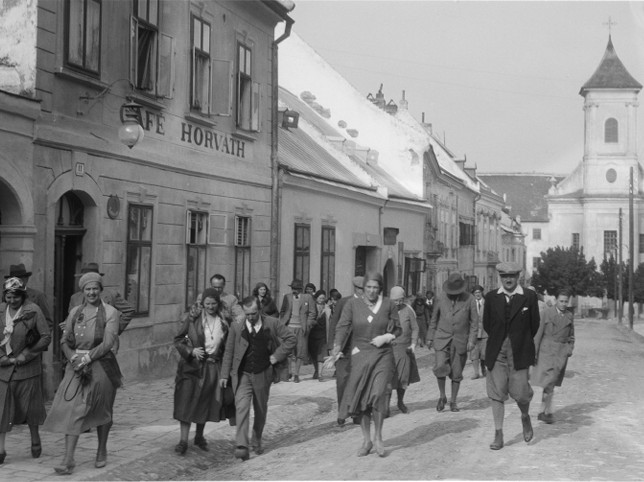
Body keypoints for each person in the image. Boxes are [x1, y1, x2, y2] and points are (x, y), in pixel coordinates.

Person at [43, 272, 123, 474]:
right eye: (88, 289)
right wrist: (72, 358)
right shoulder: (75, 312)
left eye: (95, 288)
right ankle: (68, 459)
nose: (92, 292)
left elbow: (108, 343)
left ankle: (101, 450)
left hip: (101, 365)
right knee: (72, 409)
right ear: (82, 292)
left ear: (100, 290)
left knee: (102, 409)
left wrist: (87, 358)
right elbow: (64, 340)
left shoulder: (111, 312)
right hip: (76, 366)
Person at [330, 272, 401, 457]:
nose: (371, 290)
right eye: (368, 287)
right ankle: (367, 440)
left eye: (375, 287)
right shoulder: (352, 305)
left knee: (378, 393)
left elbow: (398, 329)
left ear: (380, 288)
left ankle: (378, 437)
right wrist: (337, 347)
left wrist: (386, 336)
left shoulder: (388, 304)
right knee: (361, 397)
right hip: (360, 354)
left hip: (383, 354)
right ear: (363, 288)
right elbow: (342, 326)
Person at [221, 296, 295, 461]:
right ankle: (242, 445)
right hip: (242, 374)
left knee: (260, 409)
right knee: (242, 407)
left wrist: (276, 356)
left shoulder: (272, 323)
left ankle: (257, 438)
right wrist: (224, 374)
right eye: (247, 314)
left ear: (260, 310)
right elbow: (229, 351)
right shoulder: (236, 326)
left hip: (263, 373)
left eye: (254, 314)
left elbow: (291, 339)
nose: (250, 317)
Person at [483, 262, 540, 450]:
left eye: (512, 276)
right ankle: (498, 433)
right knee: (496, 392)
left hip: (519, 352)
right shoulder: (491, 298)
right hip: (497, 351)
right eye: (504, 276)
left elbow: (534, 325)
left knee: (521, 393)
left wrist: (519, 341)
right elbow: (487, 325)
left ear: (518, 277)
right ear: (500, 277)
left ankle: (525, 416)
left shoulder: (529, 297)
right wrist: (502, 339)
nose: (508, 280)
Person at [173, 288, 235, 455]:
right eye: (207, 304)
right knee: (185, 402)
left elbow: (228, 345)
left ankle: (199, 437)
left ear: (218, 304)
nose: (210, 307)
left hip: (213, 367)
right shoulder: (192, 319)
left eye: (213, 304)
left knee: (205, 403)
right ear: (202, 304)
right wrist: (191, 351)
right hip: (192, 367)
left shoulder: (224, 321)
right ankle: (183, 441)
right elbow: (178, 340)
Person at [0, 278, 51, 464]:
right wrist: (3, 359)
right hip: (4, 370)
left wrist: (27, 355)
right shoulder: (0, 311)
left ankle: (35, 438)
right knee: (1, 409)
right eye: (8, 296)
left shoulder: (33, 310)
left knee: (31, 407)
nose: (12, 300)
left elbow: (46, 336)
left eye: (16, 297)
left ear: (23, 296)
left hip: (27, 369)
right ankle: (1, 449)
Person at [426, 273, 477, 412]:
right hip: (441, 338)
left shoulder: (470, 299)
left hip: (460, 340)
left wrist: (471, 340)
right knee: (440, 366)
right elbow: (434, 319)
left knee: (457, 371)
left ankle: (453, 401)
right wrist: (430, 337)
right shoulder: (441, 297)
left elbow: (474, 323)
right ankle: (442, 396)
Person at [532, 288, 575, 424]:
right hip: (547, 351)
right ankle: (547, 411)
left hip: (561, 353)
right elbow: (538, 333)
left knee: (551, 382)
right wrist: (534, 352)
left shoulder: (569, 316)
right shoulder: (546, 313)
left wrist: (569, 349)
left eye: (565, 302)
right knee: (549, 381)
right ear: (556, 300)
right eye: (561, 301)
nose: (563, 304)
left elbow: (571, 336)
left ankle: (542, 410)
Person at [326, 277, 363, 426]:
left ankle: (356, 412)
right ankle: (342, 412)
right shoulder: (343, 302)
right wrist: (331, 347)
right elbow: (334, 324)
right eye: (361, 289)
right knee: (342, 381)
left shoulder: (371, 304)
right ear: (355, 288)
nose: (364, 292)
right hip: (343, 349)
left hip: (361, 349)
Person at [68, 262, 135, 340]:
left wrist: (114, 329)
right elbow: (71, 318)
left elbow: (129, 310)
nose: (91, 292)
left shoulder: (111, 295)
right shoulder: (75, 298)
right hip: (81, 342)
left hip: (104, 341)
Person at [389, 286, 420, 414]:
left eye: (400, 300)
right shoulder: (385, 311)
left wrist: (413, 343)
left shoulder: (408, 310)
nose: (398, 303)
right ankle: (385, 405)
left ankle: (400, 401)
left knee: (403, 377)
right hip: (389, 349)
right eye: (395, 301)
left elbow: (415, 328)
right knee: (388, 378)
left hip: (404, 349)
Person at [279, 279, 315, 383]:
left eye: (295, 288)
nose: (293, 290)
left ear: (300, 289)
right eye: (292, 288)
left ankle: (296, 374)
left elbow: (312, 313)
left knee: (300, 352)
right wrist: (283, 323)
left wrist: (307, 325)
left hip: (301, 328)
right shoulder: (287, 297)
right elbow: (282, 311)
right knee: (289, 351)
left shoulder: (307, 297)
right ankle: (289, 371)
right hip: (289, 327)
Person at [4, 263, 53, 330]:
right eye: (14, 279)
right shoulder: (7, 296)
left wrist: (40, 338)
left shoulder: (38, 296)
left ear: (26, 279)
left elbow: (48, 322)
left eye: (20, 279)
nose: (17, 282)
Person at [308, 290, 330, 381]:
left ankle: (320, 373)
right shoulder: (311, 307)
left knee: (321, 354)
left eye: (323, 298)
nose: (321, 300)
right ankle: (316, 370)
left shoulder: (328, 308)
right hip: (312, 333)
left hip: (323, 334)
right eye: (320, 298)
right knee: (313, 353)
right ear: (316, 298)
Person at [470, 285, 488, 380]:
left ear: (482, 293)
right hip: (473, 333)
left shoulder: (487, 303)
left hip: (485, 332)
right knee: (474, 353)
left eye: (479, 292)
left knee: (484, 353)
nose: (477, 294)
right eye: (475, 293)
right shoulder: (470, 304)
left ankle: (483, 369)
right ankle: (476, 372)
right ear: (473, 294)